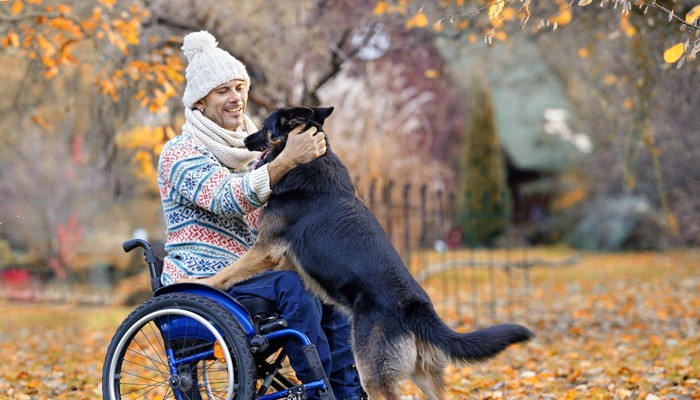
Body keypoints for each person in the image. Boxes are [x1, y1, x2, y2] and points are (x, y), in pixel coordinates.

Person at [157, 30, 362, 399]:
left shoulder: (254, 151)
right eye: (223, 91)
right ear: (200, 103)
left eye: (240, 87)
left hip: (249, 281)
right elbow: (225, 197)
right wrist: (286, 161)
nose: (236, 98)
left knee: (329, 287)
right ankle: (321, 393)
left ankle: (347, 394)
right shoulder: (179, 152)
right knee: (295, 288)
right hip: (200, 287)